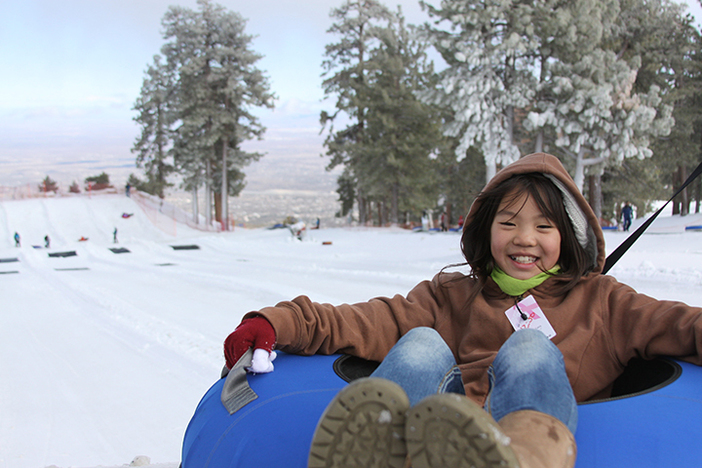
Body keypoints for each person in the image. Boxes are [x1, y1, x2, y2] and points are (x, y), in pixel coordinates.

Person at [223, 153, 702, 468]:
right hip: (442, 432)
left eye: (544, 226)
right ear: (486, 229)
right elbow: (368, 319)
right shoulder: (452, 295)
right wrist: (278, 322)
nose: (524, 239)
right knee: (420, 343)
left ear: (568, 237)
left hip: (533, 423)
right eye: (509, 222)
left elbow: (677, 324)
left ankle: (521, 460)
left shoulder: (604, 302)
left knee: (531, 346)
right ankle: (378, 451)